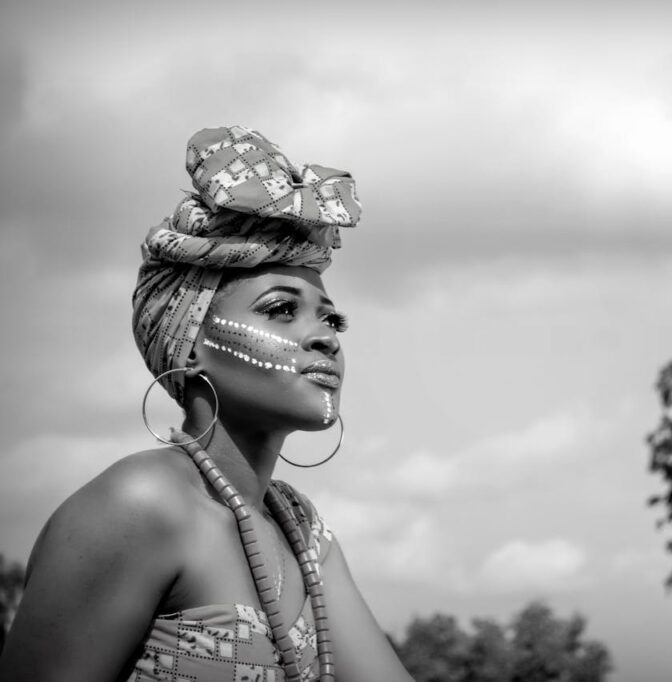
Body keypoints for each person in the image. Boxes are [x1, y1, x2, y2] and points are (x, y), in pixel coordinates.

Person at [0, 126, 415, 681]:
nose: (326, 338)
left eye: (332, 319)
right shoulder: (140, 504)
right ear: (191, 343)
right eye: (281, 310)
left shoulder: (303, 534)